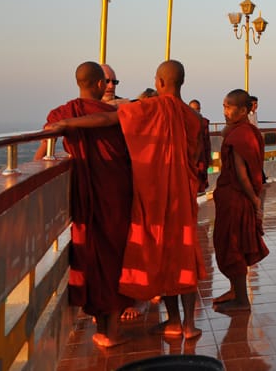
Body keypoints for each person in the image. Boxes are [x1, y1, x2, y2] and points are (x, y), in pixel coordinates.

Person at [48, 60, 207, 340]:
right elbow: (195, 161)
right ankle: (189, 325)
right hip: (184, 196)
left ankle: (172, 321)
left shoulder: (151, 107)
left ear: (159, 82)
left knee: (164, 254)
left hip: (156, 194)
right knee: (184, 254)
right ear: (181, 82)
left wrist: (66, 123)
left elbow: (109, 119)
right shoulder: (194, 118)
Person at [40, 61, 133, 348]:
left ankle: (106, 327)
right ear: (98, 84)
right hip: (117, 194)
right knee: (115, 255)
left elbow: (42, 153)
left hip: (85, 197)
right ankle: (111, 329)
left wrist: (65, 125)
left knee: (91, 255)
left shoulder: (61, 115)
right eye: (108, 82)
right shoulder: (117, 111)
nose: (110, 87)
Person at [213, 89, 269, 311]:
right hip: (234, 196)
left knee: (232, 245)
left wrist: (254, 200)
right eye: (224, 106)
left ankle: (242, 300)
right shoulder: (245, 131)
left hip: (237, 198)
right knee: (230, 243)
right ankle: (235, 290)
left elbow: (242, 173)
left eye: (229, 107)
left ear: (244, 110)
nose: (225, 111)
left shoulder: (241, 136)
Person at [189, 99, 213, 193]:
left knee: (200, 179)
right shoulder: (186, 122)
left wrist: (209, 157)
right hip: (190, 156)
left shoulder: (203, 122)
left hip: (202, 156)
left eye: (197, 109)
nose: (196, 111)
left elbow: (207, 140)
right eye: (193, 109)